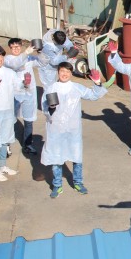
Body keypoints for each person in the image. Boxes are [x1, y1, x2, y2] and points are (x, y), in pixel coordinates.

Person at [41, 62, 107, 198]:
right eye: (62, 71)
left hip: (73, 130)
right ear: (58, 72)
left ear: (71, 73)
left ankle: (78, 182)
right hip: (56, 130)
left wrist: (98, 83)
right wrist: (50, 109)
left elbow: (93, 96)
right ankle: (57, 185)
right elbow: (44, 107)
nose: (64, 74)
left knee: (76, 157)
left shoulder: (76, 88)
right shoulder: (51, 88)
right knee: (56, 158)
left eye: (67, 71)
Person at [0, 45, 30, 181]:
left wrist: (25, 83)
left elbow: (18, 86)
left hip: (8, 110)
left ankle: (2, 166)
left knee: (5, 140)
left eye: (2, 56)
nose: (0, 58)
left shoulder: (9, 72)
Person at [4, 38, 44, 154]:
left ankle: (27, 144)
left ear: (21, 46)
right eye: (13, 47)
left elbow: (43, 63)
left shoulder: (29, 58)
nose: (16, 49)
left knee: (28, 120)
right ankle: (6, 144)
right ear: (10, 48)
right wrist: (25, 53)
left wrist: (41, 52)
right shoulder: (8, 59)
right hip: (15, 93)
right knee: (10, 119)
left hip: (28, 93)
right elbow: (16, 65)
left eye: (18, 47)